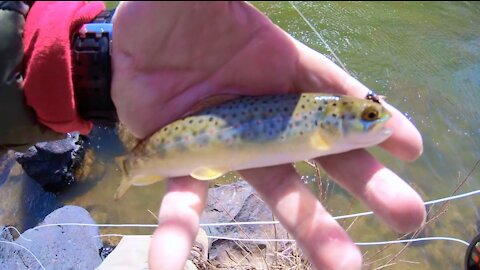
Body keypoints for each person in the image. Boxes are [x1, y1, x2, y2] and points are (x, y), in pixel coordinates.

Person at [1, 1, 426, 269]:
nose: (379, 121)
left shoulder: (326, 123)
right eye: (370, 115)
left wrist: (87, 63)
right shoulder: (325, 127)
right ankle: (134, 166)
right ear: (338, 120)